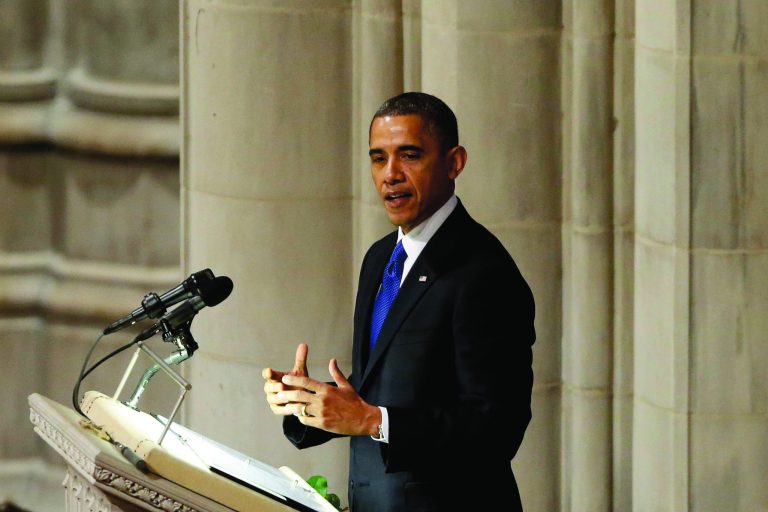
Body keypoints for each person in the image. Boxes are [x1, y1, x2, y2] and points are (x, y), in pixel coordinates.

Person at [263, 92, 535, 511]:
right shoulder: (380, 258)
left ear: (454, 162)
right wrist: (311, 402)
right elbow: (386, 385)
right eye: (378, 158)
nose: (390, 174)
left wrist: (373, 420)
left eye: (409, 156)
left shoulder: (484, 273)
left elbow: (497, 428)